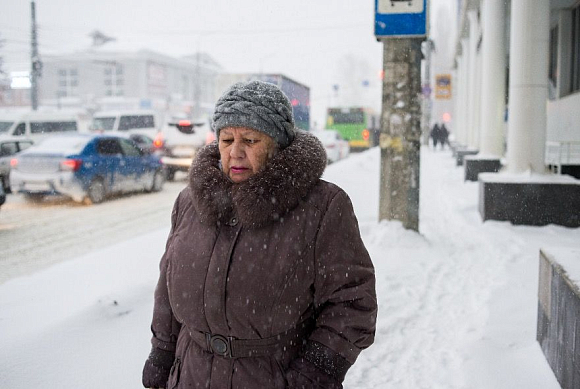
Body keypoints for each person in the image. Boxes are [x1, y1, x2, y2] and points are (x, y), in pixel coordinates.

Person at [142, 80, 377, 389]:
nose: (235, 153)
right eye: (226, 140)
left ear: (277, 145)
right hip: (190, 375)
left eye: (250, 140)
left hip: (273, 376)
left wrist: (314, 373)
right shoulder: (190, 201)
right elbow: (167, 287)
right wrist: (161, 352)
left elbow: (353, 301)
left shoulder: (322, 207)